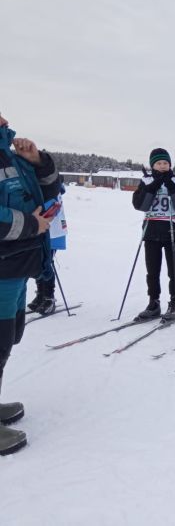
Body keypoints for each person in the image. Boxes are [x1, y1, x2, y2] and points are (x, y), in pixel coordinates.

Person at [0, 111, 60, 455]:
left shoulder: (11, 151)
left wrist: (37, 161)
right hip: (4, 261)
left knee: (8, 337)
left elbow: (49, 189)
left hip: (18, 261)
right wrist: (29, 225)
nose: (4, 118)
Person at [132, 148, 175, 320]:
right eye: (159, 163)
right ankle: (154, 302)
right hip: (151, 230)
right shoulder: (146, 180)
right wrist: (154, 186)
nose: (163, 166)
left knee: (173, 269)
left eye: (165, 163)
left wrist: (171, 186)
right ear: (153, 165)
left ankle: (174, 302)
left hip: (172, 229)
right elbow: (140, 205)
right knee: (152, 269)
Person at [28, 178, 68, 315]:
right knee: (37, 262)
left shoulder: (51, 184)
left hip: (52, 231)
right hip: (42, 229)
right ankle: (40, 294)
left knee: (46, 263)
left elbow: (53, 208)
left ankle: (49, 297)